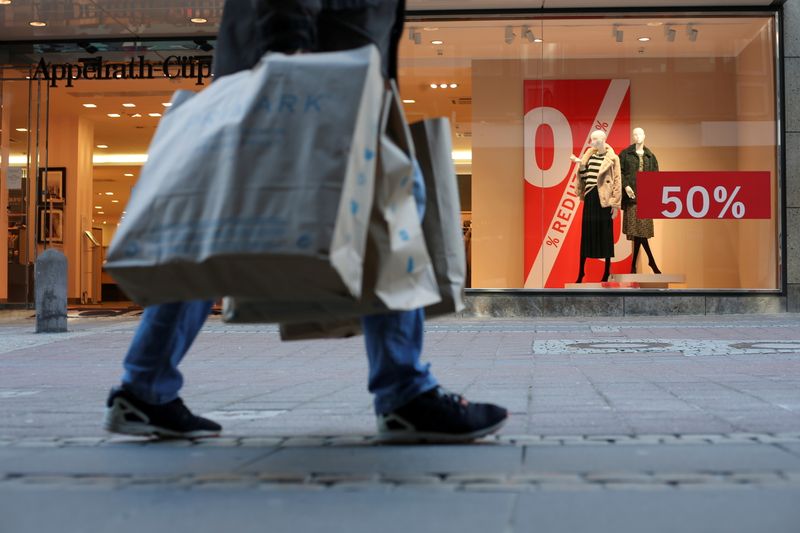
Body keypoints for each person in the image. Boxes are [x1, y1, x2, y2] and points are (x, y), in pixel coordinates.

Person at [103, 0, 508, 443]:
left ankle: (145, 384)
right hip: (314, 71)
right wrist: (288, 47)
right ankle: (404, 393)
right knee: (395, 199)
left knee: (220, 224)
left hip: (320, 68)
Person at [569, 130, 621, 283]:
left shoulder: (612, 158)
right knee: (586, 234)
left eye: (595, 139)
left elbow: (617, 181)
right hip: (591, 196)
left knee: (606, 234)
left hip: (604, 199)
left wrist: (615, 204)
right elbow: (584, 177)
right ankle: (581, 273)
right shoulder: (588, 156)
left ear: (603, 139)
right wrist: (581, 165)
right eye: (591, 139)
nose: (592, 142)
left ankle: (606, 272)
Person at [619, 127, 660, 274]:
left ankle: (634, 266)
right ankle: (651, 262)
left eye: (639, 134)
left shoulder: (650, 156)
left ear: (645, 135)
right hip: (632, 198)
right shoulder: (625, 154)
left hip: (646, 198)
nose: (637, 136)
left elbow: (656, 177)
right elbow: (619, 173)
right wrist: (626, 186)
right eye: (634, 134)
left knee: (639, 231)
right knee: (639, 230)